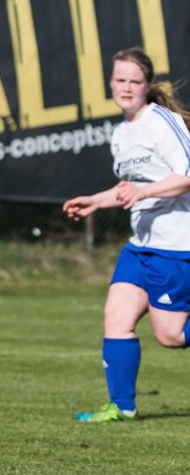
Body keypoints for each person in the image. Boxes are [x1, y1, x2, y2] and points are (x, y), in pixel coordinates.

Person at [63, 47, 190, 423]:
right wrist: (95, 201)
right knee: (116, 317)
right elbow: (130, 186)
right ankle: (122, 406)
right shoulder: (121, 132)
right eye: (121, 80)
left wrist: (143, 193)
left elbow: (186, 174)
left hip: (175, 246)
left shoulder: (160, 120)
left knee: (169, 336)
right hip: (141, 247)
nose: (127, 87)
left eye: (135, 81)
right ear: (111, 83)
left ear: (147, 85)